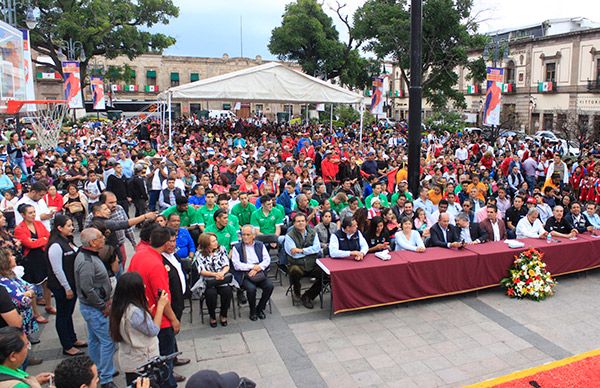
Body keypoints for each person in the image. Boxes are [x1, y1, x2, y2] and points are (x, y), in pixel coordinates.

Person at [128, 227, 181, 387]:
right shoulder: (157, 265)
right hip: (161, 321)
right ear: (165, 244)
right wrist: (174, 320)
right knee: (164, 363)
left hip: (143, 313)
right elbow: (162, 298)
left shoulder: (138, 255)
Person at [109, 272, 168, 386]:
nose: (145, 287)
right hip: (141, 361)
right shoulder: (135, 312)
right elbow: (153, 330)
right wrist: (160, 306)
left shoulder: (119, 306)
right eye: (142, 285)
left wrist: (146, 316)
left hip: (129, 358)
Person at [74, 228, 116, 388]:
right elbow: (87, 288)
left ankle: (96, 369)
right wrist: (102, 305)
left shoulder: (89, 256)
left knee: (95, 339)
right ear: (92, 242)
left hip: (92, 307)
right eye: (100, 237)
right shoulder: (86, 261)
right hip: (95, 308)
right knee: (107, 340)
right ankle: (106, 377)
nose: (103, 239)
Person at [46, 214, 87, 356]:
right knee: (63, 315)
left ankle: (72, 338)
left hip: (71, 282)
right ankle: (67, 345)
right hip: (61, 286)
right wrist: (67, 288)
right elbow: (57, 269)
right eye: (68, 226)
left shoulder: (67, 240)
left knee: (68, 313)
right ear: (59, 228)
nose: (72, 228)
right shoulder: (55, 245)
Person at [14, 204, 54, 315]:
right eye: (30, 213)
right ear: (23, 215)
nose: (33, 215)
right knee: (32, 286)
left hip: (42, 256)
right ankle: (36, 313)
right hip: (30, 260)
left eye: (34, 212)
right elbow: (29, 244)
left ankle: (49, 305)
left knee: (47, 283)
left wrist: (39, 240)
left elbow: (48, 236)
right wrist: (43, 240)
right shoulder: (19, 228)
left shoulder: (38, 224)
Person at [231, 225, 274, 321]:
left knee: (269, 286)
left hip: (259, 272)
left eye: (248, 234)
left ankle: (260, 308)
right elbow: (237, 265)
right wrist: (252, 267)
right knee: (251, 289)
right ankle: (253, 311)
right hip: (245, 275)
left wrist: (258, 268)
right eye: (243, 235)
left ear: (253, 235)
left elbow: (267, 260)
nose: (245, 237)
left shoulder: (260, 245)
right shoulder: (237, 248)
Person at [0, 249, 39, 347]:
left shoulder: (12, 274)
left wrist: (28, 292)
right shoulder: (3, 281)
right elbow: (23, 301)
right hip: (14, 322)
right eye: (11, 256)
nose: (14, 257)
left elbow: (32, 287)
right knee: (18, 345)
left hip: (24, 318)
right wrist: (29, 294)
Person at [284, 214, 323, 309]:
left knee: (326, 275)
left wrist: (301, 250)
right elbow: (293, 254)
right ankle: (297, 292)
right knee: (294, 270)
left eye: (302, 221)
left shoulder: (313, 232)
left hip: (312, 263)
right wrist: (310, 251)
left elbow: (317, 248)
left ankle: (308, 296)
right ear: (294, 223)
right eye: (298, 221)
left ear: (306, 222)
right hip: (297, 264)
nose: (301, 223)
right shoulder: (289, 236)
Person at [194, 232, 233, 327]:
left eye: (216, 240)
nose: (216, 242)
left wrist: (222, 273)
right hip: (208, 280)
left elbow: (227, 264)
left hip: (222, 278)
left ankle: (223, 314)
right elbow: (201, 270)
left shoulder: (222, 249)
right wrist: (215, 274)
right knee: (211, 294)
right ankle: (212, 316)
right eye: (213, 241)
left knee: (227, 291)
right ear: (206, 243)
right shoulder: (199, 254)